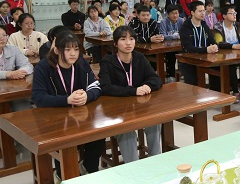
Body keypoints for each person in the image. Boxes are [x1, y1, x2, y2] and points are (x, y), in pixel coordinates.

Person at [32, 33, 103, 175]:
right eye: (68, 49)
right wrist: (66, 100)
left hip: (80, 115)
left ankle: (88, 169)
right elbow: (38, 98)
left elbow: (95, 86)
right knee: (64, 145)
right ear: (56, 50)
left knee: (99, 137)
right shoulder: (43, 67)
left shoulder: (81, 63)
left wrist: (87, 96)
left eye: (76, 49)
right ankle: (62, 175)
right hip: (54, 118)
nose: (73, 54)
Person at [99, 26, 163, 163]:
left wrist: (148, 85)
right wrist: (133, 91)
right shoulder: (108, 61)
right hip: (117, 111)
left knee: (155, 121)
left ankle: (155, 159)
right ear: (115, 43)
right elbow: (105, 87)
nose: (128, 43)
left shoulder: (139, 58)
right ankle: (132, 166)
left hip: (139, 107)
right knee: (126, 130)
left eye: (132, 39)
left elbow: (156, 79)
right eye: (123, 39)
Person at [212, 5, 240, 102]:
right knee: (231, 66)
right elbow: (219, 43)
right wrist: (234, 46)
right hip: (225, 55)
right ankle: (235, 91)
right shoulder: (218, 27)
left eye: (235, 13)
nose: (234, 15)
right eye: (231, 13)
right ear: (224, 16)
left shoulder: (238, 25)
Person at [179, 0, 219, 86]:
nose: (203, 13)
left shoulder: (204, 26)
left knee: (218, 69)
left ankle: (216, 93)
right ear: (192, 13)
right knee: (193, 83)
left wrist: (215, 46)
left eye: (203, 11)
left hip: (205, 57)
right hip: (189, 59)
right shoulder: (185, 28)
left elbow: (212, 41)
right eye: (200, 11)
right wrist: (206, 49)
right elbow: (188, 48)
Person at [159, 4, 184, 82]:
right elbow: (162, 35)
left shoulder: (181, 21)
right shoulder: (163, 22)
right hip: (167, 46)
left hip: (179, 45)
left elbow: (185, 33)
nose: (175, 15)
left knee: (184, 54)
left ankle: (182, 74)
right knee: (170, 56)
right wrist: (174, 37)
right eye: (172, 13)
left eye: (176, 13)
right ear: (168, 14)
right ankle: (170, 76)